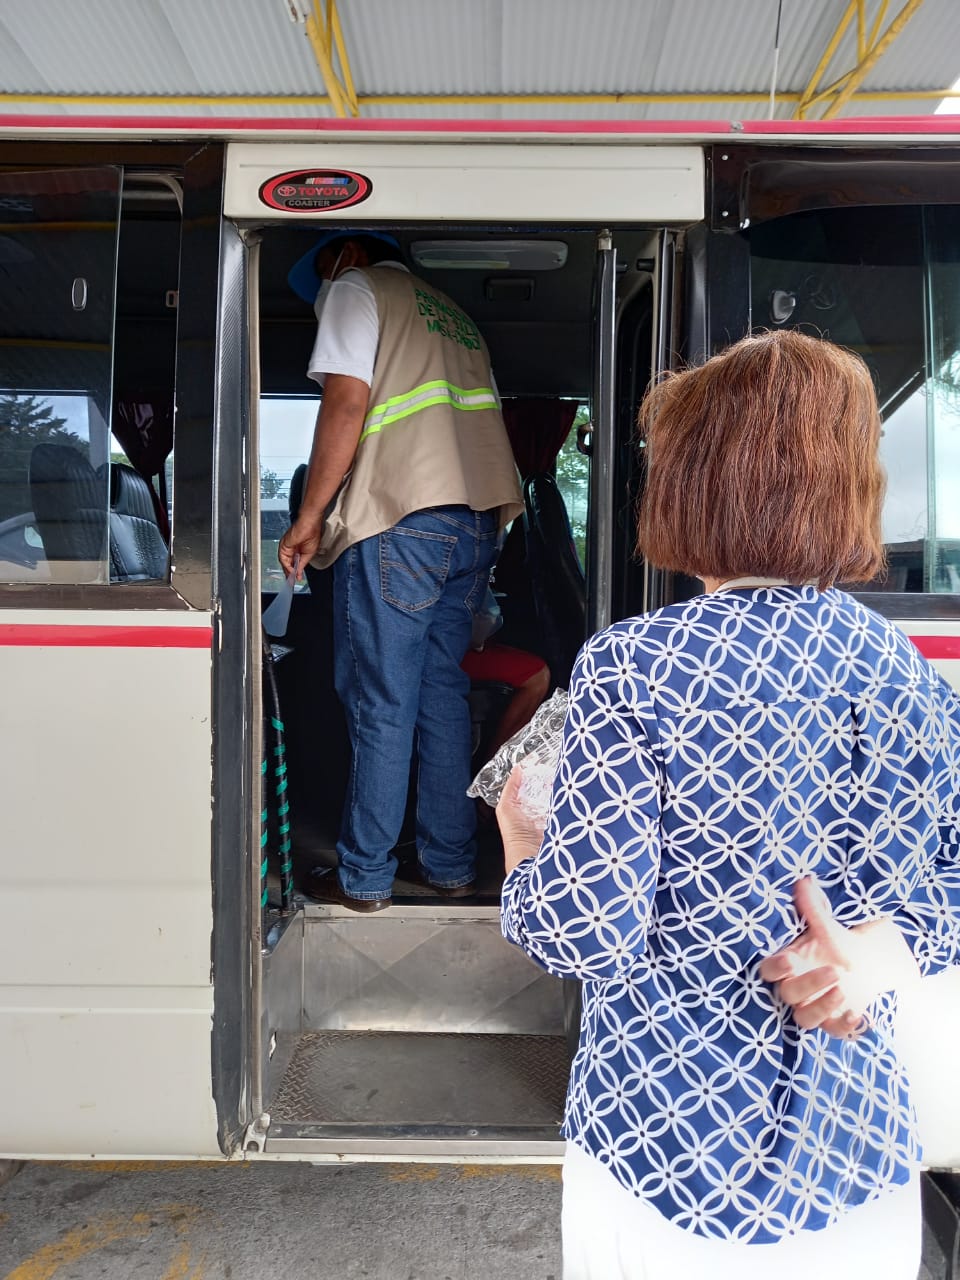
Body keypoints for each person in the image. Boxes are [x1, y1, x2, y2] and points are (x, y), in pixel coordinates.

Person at [495, 329, 960, 1279]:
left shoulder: (633, 665)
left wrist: (518, 843)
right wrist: (876, 954)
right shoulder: (908, 672)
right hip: (858, 1159)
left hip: (664, 1155)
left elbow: (586, 933)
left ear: (691, 484)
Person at [279, 232, 523, 912]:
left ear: (349, 252)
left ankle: (363, 877)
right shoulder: (456, 319)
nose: (323, 291)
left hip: (402, 517)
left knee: (381, 700)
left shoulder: (358, 289)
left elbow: (346, 404)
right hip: (474, 522)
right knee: (441, 694)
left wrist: (309, 517)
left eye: (323, 273)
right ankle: (449, 863)